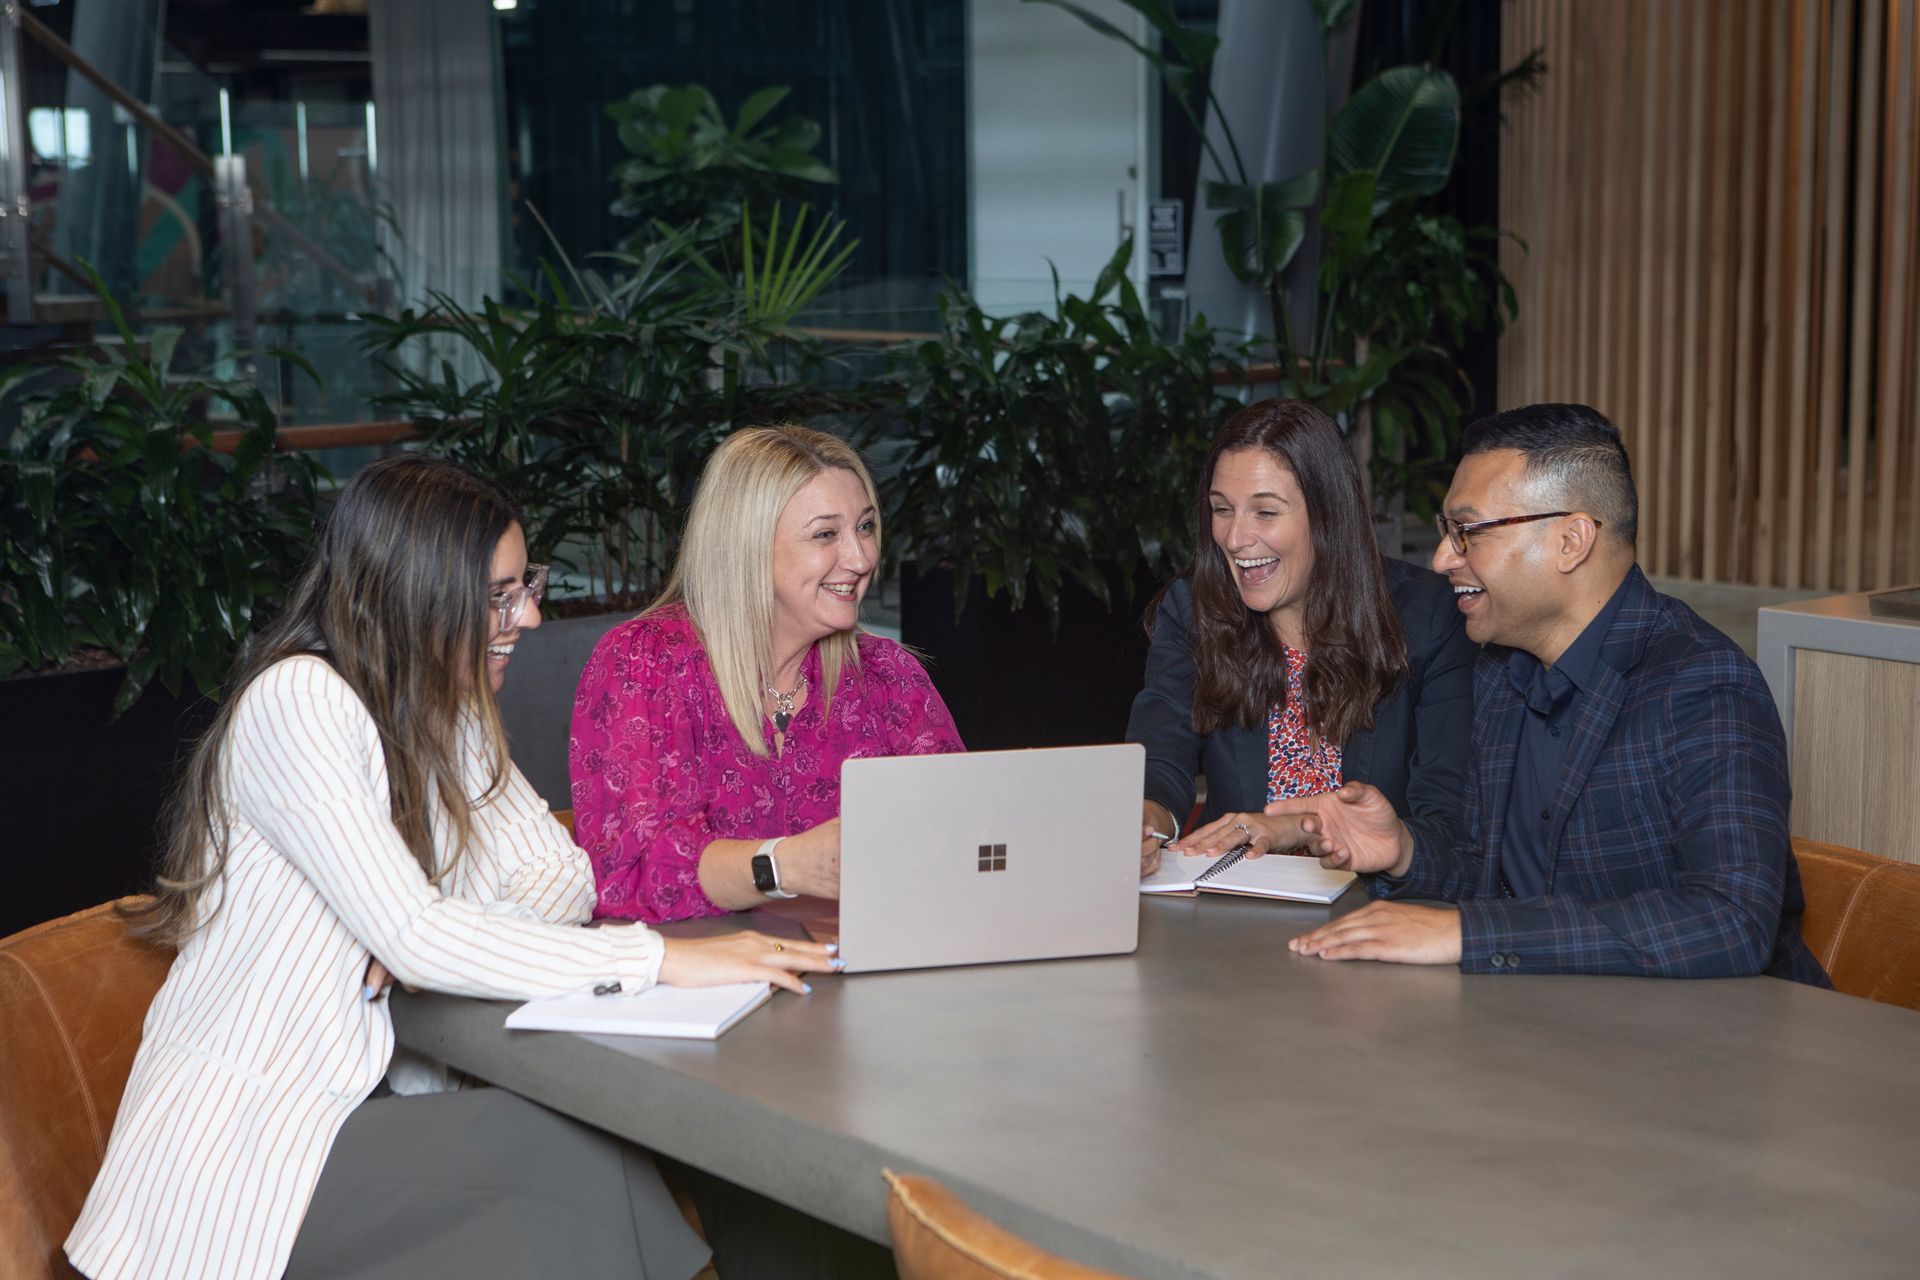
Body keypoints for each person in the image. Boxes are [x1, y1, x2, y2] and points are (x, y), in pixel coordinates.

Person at [65, 454, 834, 1280]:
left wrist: (441, 930)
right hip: (250, 1155)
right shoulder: (301, 700)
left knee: (579, 1149)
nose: (530, 618)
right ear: (415, 592)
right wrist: (658, 957)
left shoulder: (446, 705)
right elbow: (420, 937)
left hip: (365, 1111)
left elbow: (563, 875)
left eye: (523, 585)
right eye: (500, 596)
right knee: (558, 1154)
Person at [1283, 403, 1830, 983]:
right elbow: (1494, 879)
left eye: (1468, 532)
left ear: (1572, 541)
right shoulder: (1500, 671)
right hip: (1550, 1022)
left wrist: (1469, 933)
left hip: (1710, 1043)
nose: (1443, 559)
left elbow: (1730, 921)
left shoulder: (1704, 684)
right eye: (1448, 533)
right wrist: (1403, 852)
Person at [572, 422, 963, 923]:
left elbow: (959, 839)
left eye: (865, 527)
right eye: (826, 534)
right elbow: (628, 875)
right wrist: (783, 865)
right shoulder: (645, 663)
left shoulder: (889, 677)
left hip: (856, 975)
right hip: (700, 985)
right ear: (747, 546)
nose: (861, 557)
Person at [1127, 397, 1476, 877]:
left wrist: (1301, 826)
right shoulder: (1194, 609)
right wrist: (1147, 822)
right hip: (1233, 905)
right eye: (1221, 509)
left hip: (1374, 907)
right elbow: (1161, 752)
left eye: (1265, 513)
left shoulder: (1430, 616)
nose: (1234, 538)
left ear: (1328, 515)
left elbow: (1448, 824)